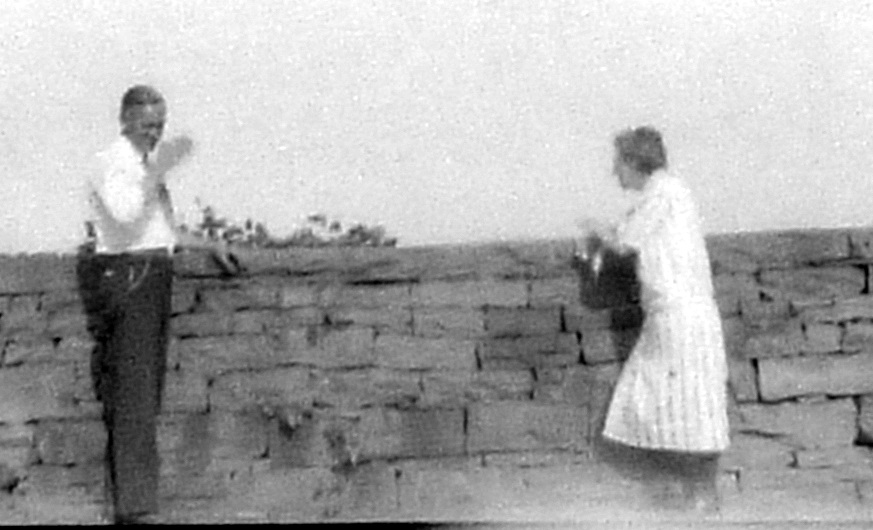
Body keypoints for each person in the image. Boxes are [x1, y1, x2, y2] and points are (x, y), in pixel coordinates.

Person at [77, 85, 240, 524]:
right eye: (147, 125)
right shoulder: (113, 162)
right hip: (129, 273)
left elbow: (164, 233)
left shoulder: (144, 166)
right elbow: (126, 216)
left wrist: (210, 245)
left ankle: (137, 501)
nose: (155, 133)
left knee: (147, 391)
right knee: (133, 390)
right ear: (125, 121)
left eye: (160, 125)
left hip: (152, 271)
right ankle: (135, 507)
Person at [581, 126, 730, 510]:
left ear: (635, 161)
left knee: (681, 401)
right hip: (678, 314)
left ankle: (700, 495)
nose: (615, 172)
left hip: (679, 316)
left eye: (619, 163)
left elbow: (624, 241)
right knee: (677, 401)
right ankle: (693, 494)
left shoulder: (665, 192)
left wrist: (592, 227)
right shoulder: (664, 193)